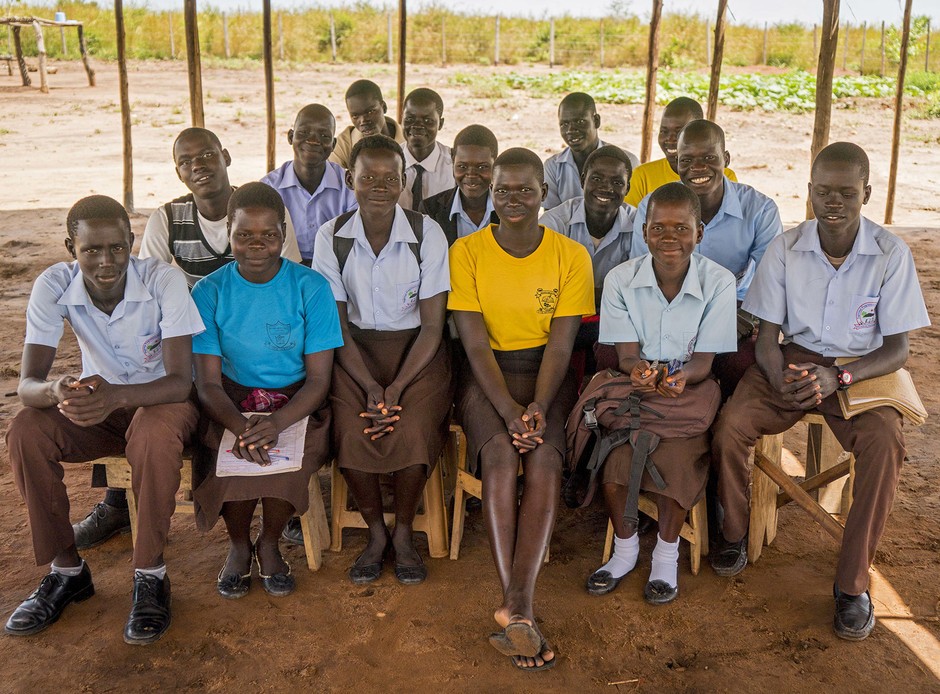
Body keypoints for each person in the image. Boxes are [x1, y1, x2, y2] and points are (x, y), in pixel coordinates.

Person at [710, 142, 930, 640]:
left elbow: (897, 349)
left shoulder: (890, 253)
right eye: (823, 191)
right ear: (809, 192)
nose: (834, 202)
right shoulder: (787, 248)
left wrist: (841, 378)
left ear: (866, 194)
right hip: (794, 362)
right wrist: (777, 377)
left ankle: (852, 585)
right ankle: (734, 533)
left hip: (862, 369)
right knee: (730, 428)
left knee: (885, 444)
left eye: (846, 192)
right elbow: (767, 339)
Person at [5, 195, 204, 644]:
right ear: (70, 248)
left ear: (132, 242)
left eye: (116, 247)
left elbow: (178, 383)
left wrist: (117, 396)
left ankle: (150, 574)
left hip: (162, 401)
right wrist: (55, 391)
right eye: (91, 250)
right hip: (104, 404)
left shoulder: (162, 280)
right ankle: (67, 569)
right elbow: (28, 386)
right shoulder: (54, 284)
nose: (106, 260)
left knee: (153, 433)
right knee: (25, 431)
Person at [448, 147, 594, 671]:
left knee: (547, 462)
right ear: (490, 192)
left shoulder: (570, 256)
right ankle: (520, 606)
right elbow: (474, 344)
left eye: (525, 190)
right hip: (486, 377)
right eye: (503, 190)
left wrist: (535, 406)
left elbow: (559, 345)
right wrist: (510, 411)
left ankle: (519, 606)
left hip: (546, 380)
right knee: (502, 460)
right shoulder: (466, 252)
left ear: (544, 194)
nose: (513, 199)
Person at [585, 182, 736, 603]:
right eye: (658, 228)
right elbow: (626, 356)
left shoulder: (718, 282)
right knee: (617, 456)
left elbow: (704, 363)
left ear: (699, 233)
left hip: (688, 392)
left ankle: (666, 556)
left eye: (681, 228)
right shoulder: (621, 279)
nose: (669, 238)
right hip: (640, 390)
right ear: (645, 232)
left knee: (679, 457)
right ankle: (626, 550)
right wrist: (640, 372)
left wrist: (682, 375)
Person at [190, 182, 341, 599]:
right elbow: (207, 381)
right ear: (227, 230)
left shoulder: (310, 288)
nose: (257, 245)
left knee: (289, 461)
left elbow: (318, 381)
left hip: (297, 402)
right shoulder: (208, 292)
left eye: (269, 235)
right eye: (244, 235)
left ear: (284, 232)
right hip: (229, 400)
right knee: (229, 459)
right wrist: (242, 427)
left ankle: (270, 542)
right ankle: (239, 545)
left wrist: (274, 423)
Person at [313, 135, 451, 586]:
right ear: (350, 179)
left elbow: (432, 327)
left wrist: (394, 389)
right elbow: (336, 328)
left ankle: (405, 531)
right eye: (368, 177)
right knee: (353, 426)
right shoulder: (330, 237)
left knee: (411, 425)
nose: (379, 186)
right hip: (352, 354)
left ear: (404, 180)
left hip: (418, 353)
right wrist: (371, 387)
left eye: (391, 177)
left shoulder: (426, 232)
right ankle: (376, 534)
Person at [631, 120, 782, 398]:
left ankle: (725, 422)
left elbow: (768, 282)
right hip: (666, 309)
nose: (698, 168)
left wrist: (735, 319)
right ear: (675, 163)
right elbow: (640, 275)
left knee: (742, 361)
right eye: (687, 159)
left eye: (709, 158)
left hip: (733, 312)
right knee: (611, 354)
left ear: (725, 159)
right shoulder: (651, 206)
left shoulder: (760, 210)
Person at [140, 127, 301, 288]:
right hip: (198, 311)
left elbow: (290, 278)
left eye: (207, 155)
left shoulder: (266, 210)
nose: (197, 166)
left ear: (226, 157)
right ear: (178, 174)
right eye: (185, 162)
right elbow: (148, 283)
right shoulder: (167, 219)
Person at [540, 144, 636, 376]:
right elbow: (545, 291)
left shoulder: (638, 225)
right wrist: (608, 294)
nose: (606, 188)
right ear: (583, 179)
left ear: (628, 187)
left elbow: (637, 293)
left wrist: (577, 293)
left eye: (617, 182)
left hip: (613, 321)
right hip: (559, 320)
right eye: (597, 178)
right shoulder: (554, 224)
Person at [261, 104, 358, 265]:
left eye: (324, 135)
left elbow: (353, 243)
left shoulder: (349, 185)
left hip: (337, 268)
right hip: (285, 270)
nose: (313, 141)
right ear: (291, 137)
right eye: (304, 132)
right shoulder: (269, 188)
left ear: (333, 145)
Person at [624, 97, 737, 207]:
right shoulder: (642, 176)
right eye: (664, 131)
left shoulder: (723, 175)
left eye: (680, 132)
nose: (670, 139)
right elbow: (630, 221)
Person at [543, 92, 639, 210]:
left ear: (596, 121)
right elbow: (551, 219)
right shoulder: (553, 167)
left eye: (580, 122)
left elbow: (632, 214)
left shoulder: (627, 163)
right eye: (564, 124)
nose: (571, 130)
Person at [419, 124, 500, 246]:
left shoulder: (505, 209)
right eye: (462, 166)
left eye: (482, 167)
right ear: (452, 160)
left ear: (495, 164)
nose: (471, 175)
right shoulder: (431, 210)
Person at [398, 88, 454, 211]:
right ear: (401, 119)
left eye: (428, 120)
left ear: (440, 124)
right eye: (409, 119)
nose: (417, 125)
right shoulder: (389, 161)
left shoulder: (454, 166)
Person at [329, 80, 405, 171]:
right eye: (355, 116)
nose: (363, 121)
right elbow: (331, 176)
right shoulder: (345, 143)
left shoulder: (408, 141)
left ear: (384, 107)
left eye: (370, 112)